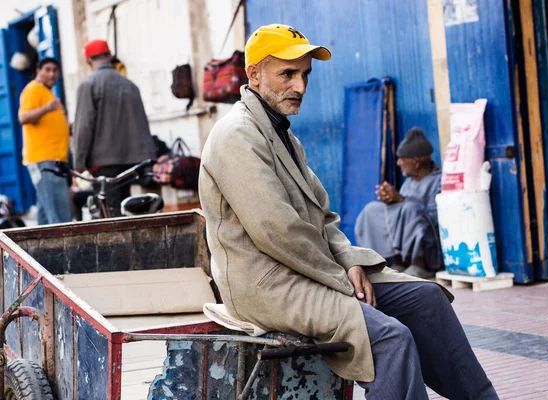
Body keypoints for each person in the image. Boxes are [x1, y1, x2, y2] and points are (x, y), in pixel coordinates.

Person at [199, 24, 498, 399]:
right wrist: (342, 278)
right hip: (268, 284)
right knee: (390, 339)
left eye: (305, 74)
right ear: (254, 74)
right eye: (288, 74)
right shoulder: (236, 135)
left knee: (427, 300)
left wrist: (350, 261)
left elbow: (322, 216)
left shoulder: (283, 135)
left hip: (309, 269)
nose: (301, 87)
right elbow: (277, 230)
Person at [72, 39, 154, 217]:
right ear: (109, 57)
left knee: (109, 211)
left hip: (103, 163)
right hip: (131, 162)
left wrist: (78, 163)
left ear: (88, 60)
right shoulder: (130, 85)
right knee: (126, 208)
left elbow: (84, 126)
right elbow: (142, 124)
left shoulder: (88, 84)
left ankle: (117, 245)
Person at [355, 127, 443, 279]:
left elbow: (434, 220)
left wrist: (402, 200)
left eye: (402, 159)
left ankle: (420, 265)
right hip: (410, 238)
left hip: (432, 249)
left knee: (410, 208)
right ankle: (391, 262)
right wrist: (390, 201)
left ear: (416, 162)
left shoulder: (438, 181)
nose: (398, 163)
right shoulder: (409, 183)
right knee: (373, 209)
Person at [18, 57, 72, 225]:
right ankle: (61, 249)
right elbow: (23, 117)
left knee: (46, 207)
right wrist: (47, 108)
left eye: (55, 70)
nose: (52, 74)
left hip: (52, 159)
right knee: (57, 209)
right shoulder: (34, 89)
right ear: (38, 71)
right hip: (44, 160)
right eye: (47, 70)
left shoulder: (47, 92)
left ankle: (39, 248)